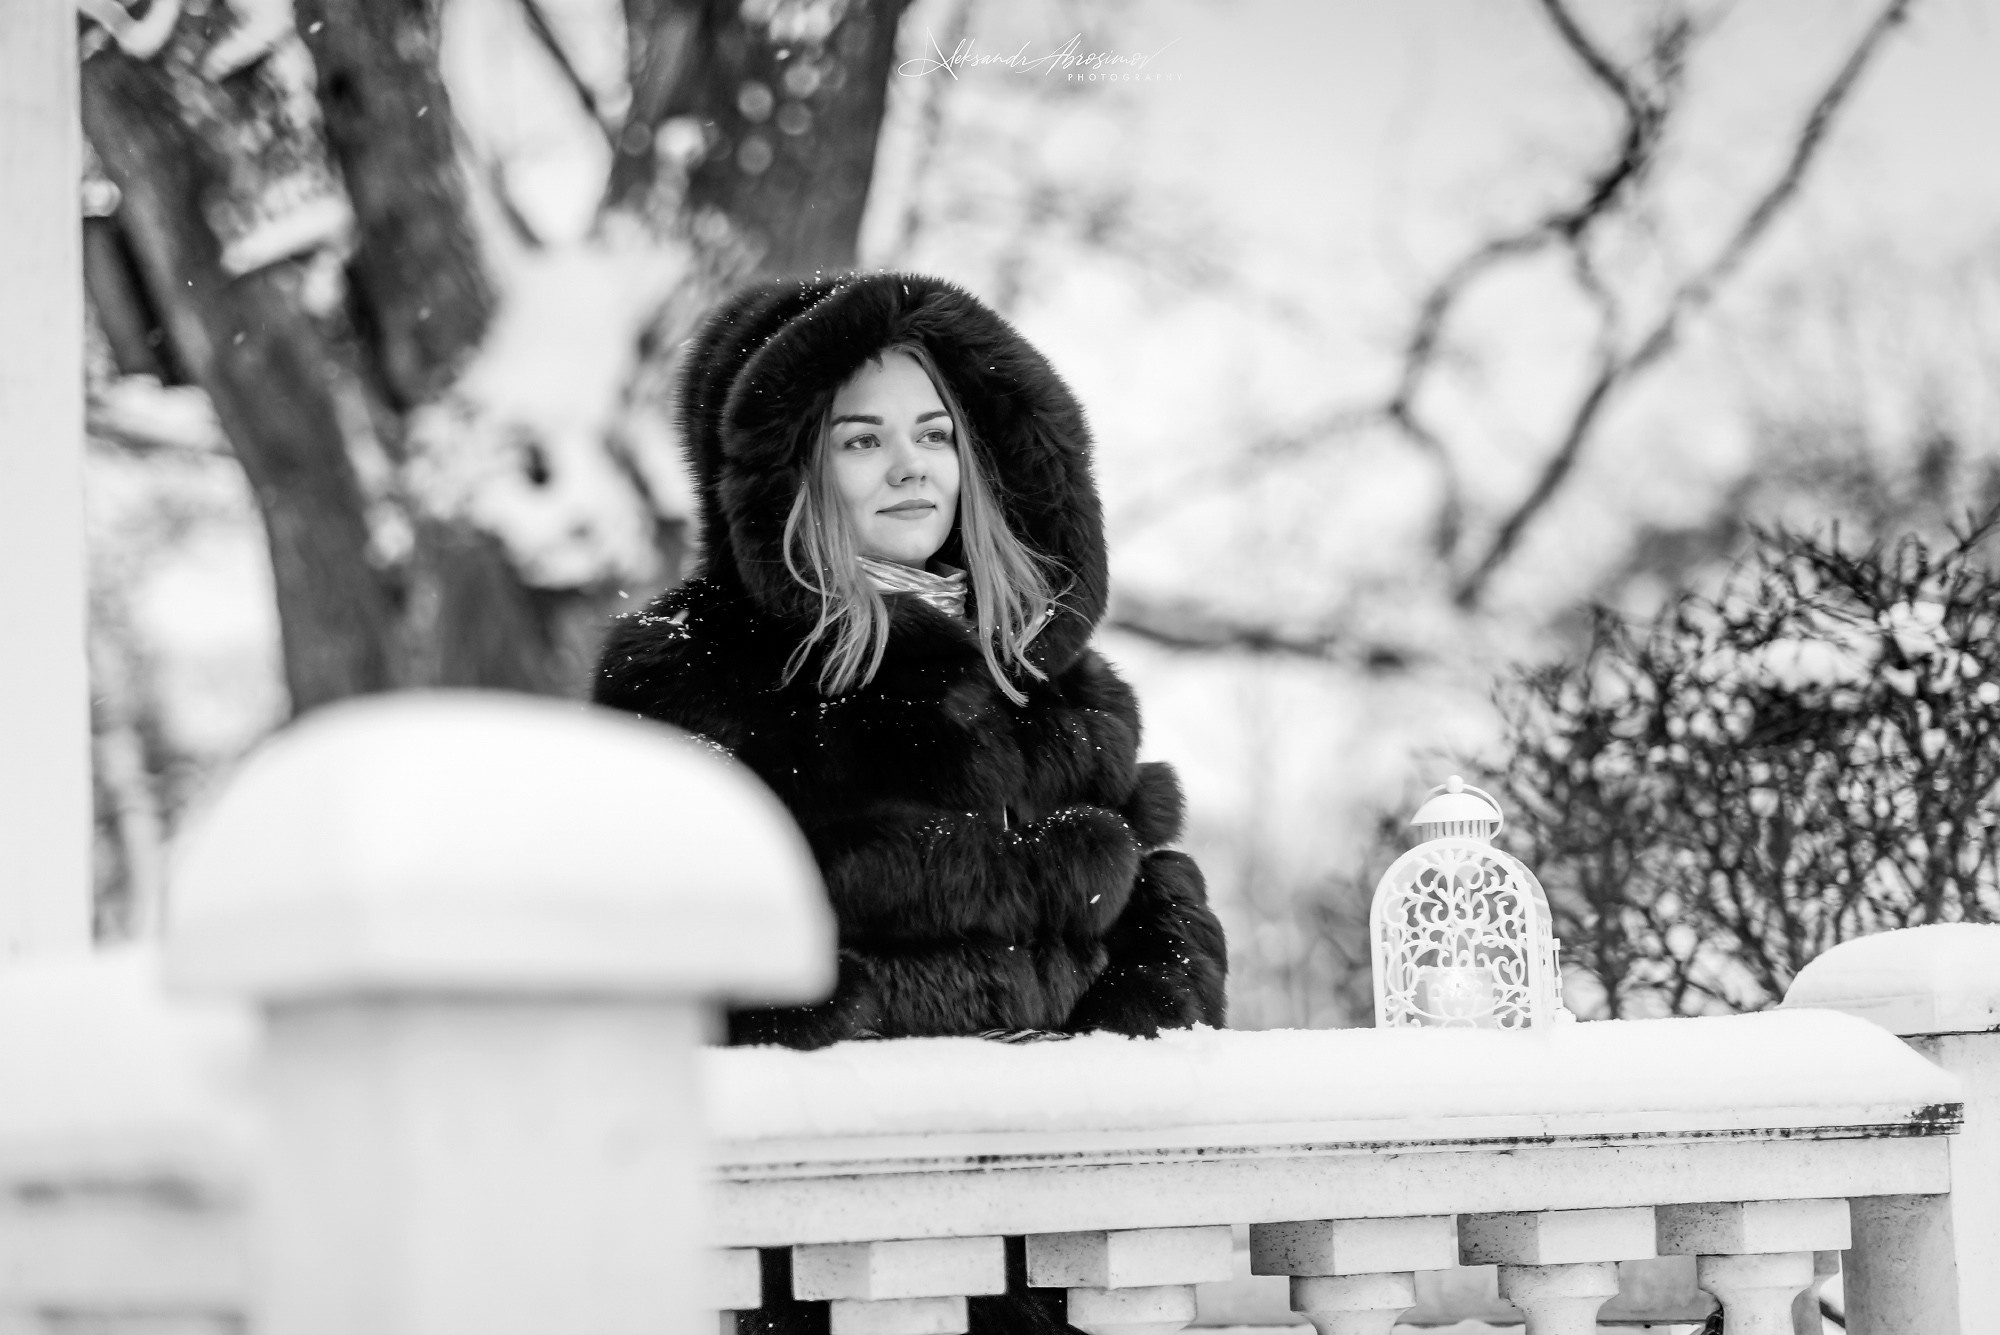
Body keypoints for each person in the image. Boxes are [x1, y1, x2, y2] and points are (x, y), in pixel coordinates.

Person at [592, 271, 1227, 1050]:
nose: (910, 465)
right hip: (840, 1142)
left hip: (1069, 1142)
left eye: (935, 434)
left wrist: (1148, 1006)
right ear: (786, 472)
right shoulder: (693, 666)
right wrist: (824, 1021)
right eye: (862, 439)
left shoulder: (1051, 676)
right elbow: (650, 948)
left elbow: (1151, 914)